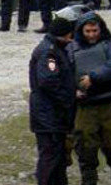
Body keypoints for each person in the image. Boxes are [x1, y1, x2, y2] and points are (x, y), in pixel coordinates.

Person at [67, 12, 111, 185]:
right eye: (87, 31)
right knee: (86, 154)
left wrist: (93, 77)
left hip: (109, 104)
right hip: (85, 107)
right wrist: (73, 90)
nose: (91, 35)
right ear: (81, 31)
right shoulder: (72, 47)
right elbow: (65, 73)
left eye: (95, 30)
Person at [29, 14, 78, 185]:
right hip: (49, 116)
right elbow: (48, 81)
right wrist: (68, 98)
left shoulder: (53, 49)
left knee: (58, 159)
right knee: (50, 159)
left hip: (51, 115)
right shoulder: (50, 53)